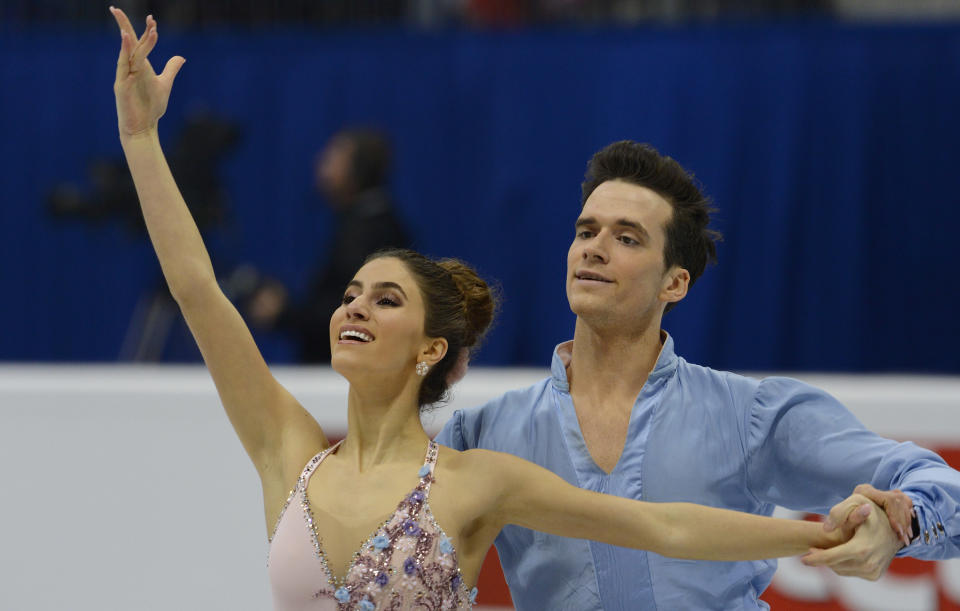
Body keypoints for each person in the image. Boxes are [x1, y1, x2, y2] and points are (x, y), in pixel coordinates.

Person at [109, 8, 875, 610]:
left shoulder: (475, 480)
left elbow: (663, 525)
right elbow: (196, 288)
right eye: (349, 295)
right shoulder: (289, 452)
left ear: (430, 348)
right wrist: (142, 138)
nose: (354, 308)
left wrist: (815, 530)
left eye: (385, 299)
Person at [435, 138, 960, 609]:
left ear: (675, 283)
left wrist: (899, 524)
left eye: (628, 238)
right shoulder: (483, 434)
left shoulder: (748, 415)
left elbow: (938, 485)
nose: (593, 247)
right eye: (586, 230)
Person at [248, 127, 411, 364]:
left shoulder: (368, 232)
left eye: (333, 158)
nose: (321, 165)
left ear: (359, 169)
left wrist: (283, 314)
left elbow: (354, 311)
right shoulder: (362, 221)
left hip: (348, 372)